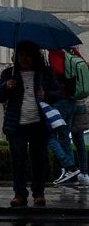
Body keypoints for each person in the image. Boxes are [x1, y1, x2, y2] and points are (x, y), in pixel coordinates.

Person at [0, 41, 60, 207]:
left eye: (28, 55)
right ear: (16, 57)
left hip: (38, 124)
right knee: (18, 161)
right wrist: (6, 87)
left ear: (34, 57)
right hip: (16, 125)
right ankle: (19, 194)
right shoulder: (10, 73)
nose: (25, 58)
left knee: (39, 161)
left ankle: (39, 193)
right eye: (21, 55)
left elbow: (57, 93)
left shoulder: (44, 73)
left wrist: (47, 94)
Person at [46, 48, 80, 185]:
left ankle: (69, 167)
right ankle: (72, 176)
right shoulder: (72, 51)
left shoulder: (55, 52)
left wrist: (51, 74)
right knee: (65, 138)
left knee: (50, 136)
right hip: (72, 99)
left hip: (60, 100)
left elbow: (60, 72)